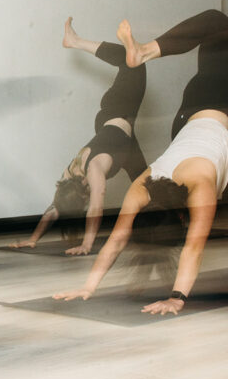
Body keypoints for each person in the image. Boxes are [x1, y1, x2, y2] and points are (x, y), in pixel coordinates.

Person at [54, 9, 228, 315]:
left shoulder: (199, 189)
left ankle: (145, 51)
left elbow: (192, 247)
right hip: (184, 124)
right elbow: (118, 240)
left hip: (208, 107)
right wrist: (90, 287)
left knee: (216, 23)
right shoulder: (144, 184)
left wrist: (177, 297)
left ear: (182, 219)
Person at [8, 17, 148, 254]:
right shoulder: (69, 175)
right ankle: (175, 218)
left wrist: (87, 244)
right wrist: (33, 239)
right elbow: (54, 208)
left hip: (118, 110)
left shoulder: (91, 171)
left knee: (134, 61)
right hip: (115, 133)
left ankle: (75, 41)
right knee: (145, 181)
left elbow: (95, 207)